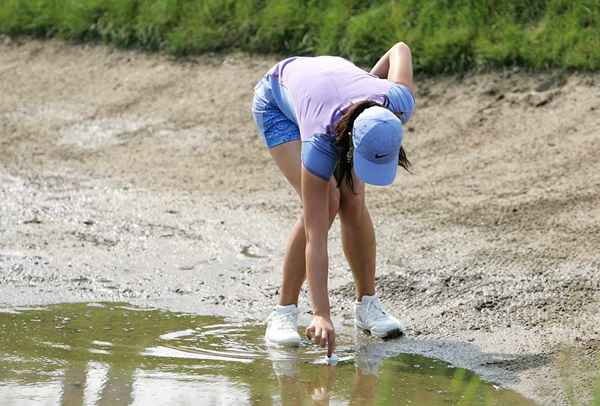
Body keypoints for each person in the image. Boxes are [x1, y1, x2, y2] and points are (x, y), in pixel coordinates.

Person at [251, 42, 416, 357]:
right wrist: (321, 314)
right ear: (351, 139)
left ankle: (368, 305)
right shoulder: (320, 140)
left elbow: (400, 48)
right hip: (276, 100)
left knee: (353, 199)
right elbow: (316, 237)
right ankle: (283, 312)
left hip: (339, 96)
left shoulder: (398, 102)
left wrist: (366, 101)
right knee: (326, 203)